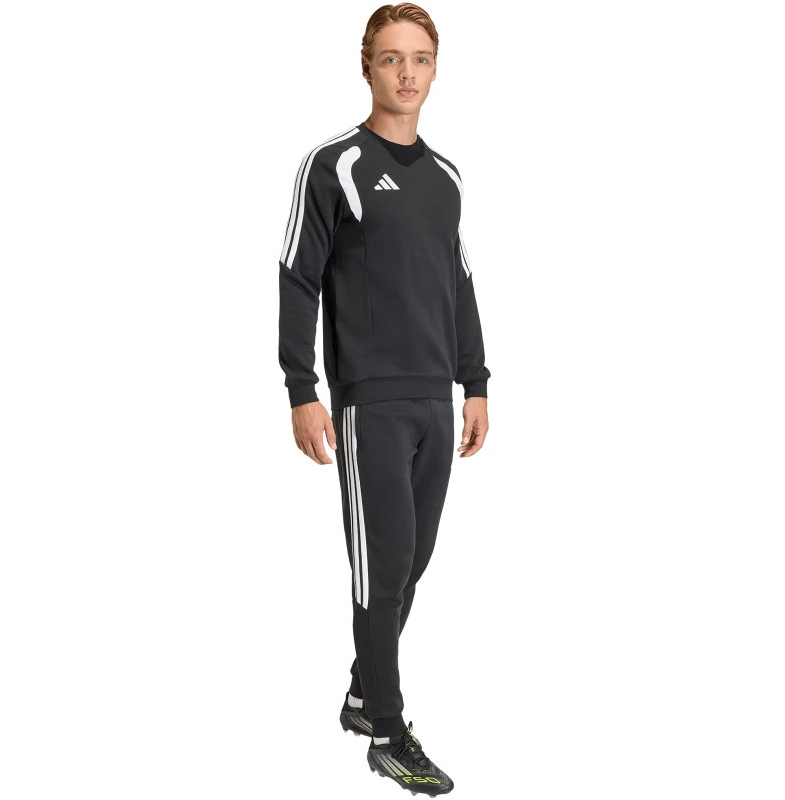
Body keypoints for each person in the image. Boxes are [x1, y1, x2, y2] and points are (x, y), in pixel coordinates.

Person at [277, 3, 491, 794]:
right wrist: (302, 388)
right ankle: (388, 734)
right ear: (366, 66)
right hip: (368, 402)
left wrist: (476, 382)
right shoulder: (333, 164)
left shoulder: (446, 177)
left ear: (436, 69)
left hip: (435, 399)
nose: (407, 73)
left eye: (420, 59)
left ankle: (365, 693)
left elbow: (458, 283)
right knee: (382, 569)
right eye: (392, 58)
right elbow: (298, 276)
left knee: (412, 564)